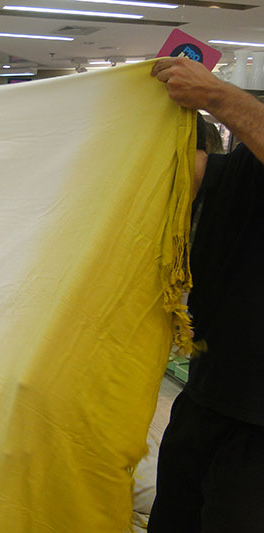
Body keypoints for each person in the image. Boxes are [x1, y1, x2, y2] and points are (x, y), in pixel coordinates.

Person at [148, 56, 264, 532]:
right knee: (174, 518)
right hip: (211, 391)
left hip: (256, 419)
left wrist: (217, 96)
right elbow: (209, 178)